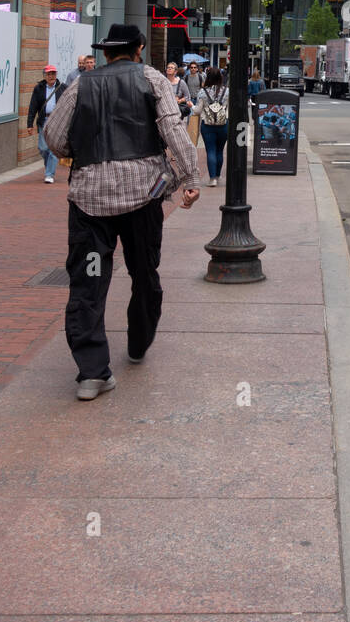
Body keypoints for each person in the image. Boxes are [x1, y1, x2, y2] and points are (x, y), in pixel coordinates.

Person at [43, 24, 199, 401]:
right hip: (143, 199)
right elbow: (173, 131)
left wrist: (82, 152)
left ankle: (92, 373)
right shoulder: (153, 79)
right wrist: (189, 176)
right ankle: (138, 340)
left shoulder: (81, 83)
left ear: (106, 52)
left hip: (90, 204)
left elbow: (54, 136)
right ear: (139, 49)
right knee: (144, 272)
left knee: (90, 279)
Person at [27, 64, 66, 183]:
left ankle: (49, 174)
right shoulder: (38, 88)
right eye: (49, 74)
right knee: (43, 148)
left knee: (53, 149)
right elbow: (33, 107)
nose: (51, 76)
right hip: (43, 121)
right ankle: (49, 165)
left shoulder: (62, 87)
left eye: (53, 73)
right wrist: (29, 124)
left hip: (57, 122)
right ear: (45, 76)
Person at [193, 68, 229, 186]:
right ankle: (218, 176)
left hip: (207, 126)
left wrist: (191, 106)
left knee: (211, 151)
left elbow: (198, 111)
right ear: (220, 77)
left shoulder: (203, 92)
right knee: (220, 151)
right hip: (223, 125)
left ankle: (212, 178)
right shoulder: (227, 91)